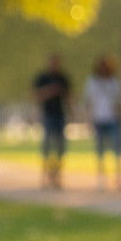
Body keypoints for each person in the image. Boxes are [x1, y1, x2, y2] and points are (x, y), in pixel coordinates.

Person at [84, 55, 121, 190]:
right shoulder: (92, 82)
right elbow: (89, 102)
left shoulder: (114, 82)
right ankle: (101, 180)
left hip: (112, 119)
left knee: (117, 150)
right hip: (98, 119)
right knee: (100, 151)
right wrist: (88, 120)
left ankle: (119, 178)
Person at [32, 53, 71, 189]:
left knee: (61, 147)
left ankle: (57, 176)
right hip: (48, 115)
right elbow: (35, 96)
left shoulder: (63, 78)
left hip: (60, 115)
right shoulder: (42, 78)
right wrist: (50, 91)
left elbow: (69, 96)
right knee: (47, 145)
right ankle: (45, 177)